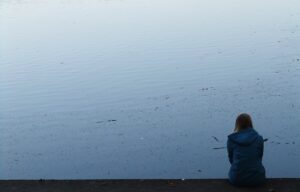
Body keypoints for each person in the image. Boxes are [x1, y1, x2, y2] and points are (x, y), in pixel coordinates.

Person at [227, 113, 266, 186]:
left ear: (237, 124)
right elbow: (259, 157)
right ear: (250, 123)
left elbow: (231, 159)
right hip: (258, 178)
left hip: (237, 179)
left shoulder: (232, 140)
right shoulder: (259, 138)